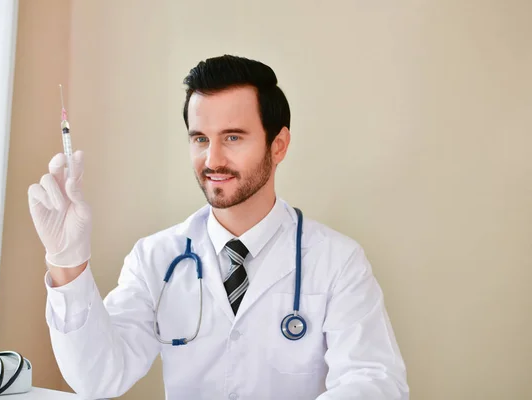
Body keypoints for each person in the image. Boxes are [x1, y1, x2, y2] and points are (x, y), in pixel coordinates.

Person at [28, 55, 409, 400]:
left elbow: (374, 381)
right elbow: (98, 377)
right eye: (200, 139)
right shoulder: (155, 257)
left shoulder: (336, 260)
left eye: (232, 137)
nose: (212, 159)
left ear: (278, 146)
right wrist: (67, 263)